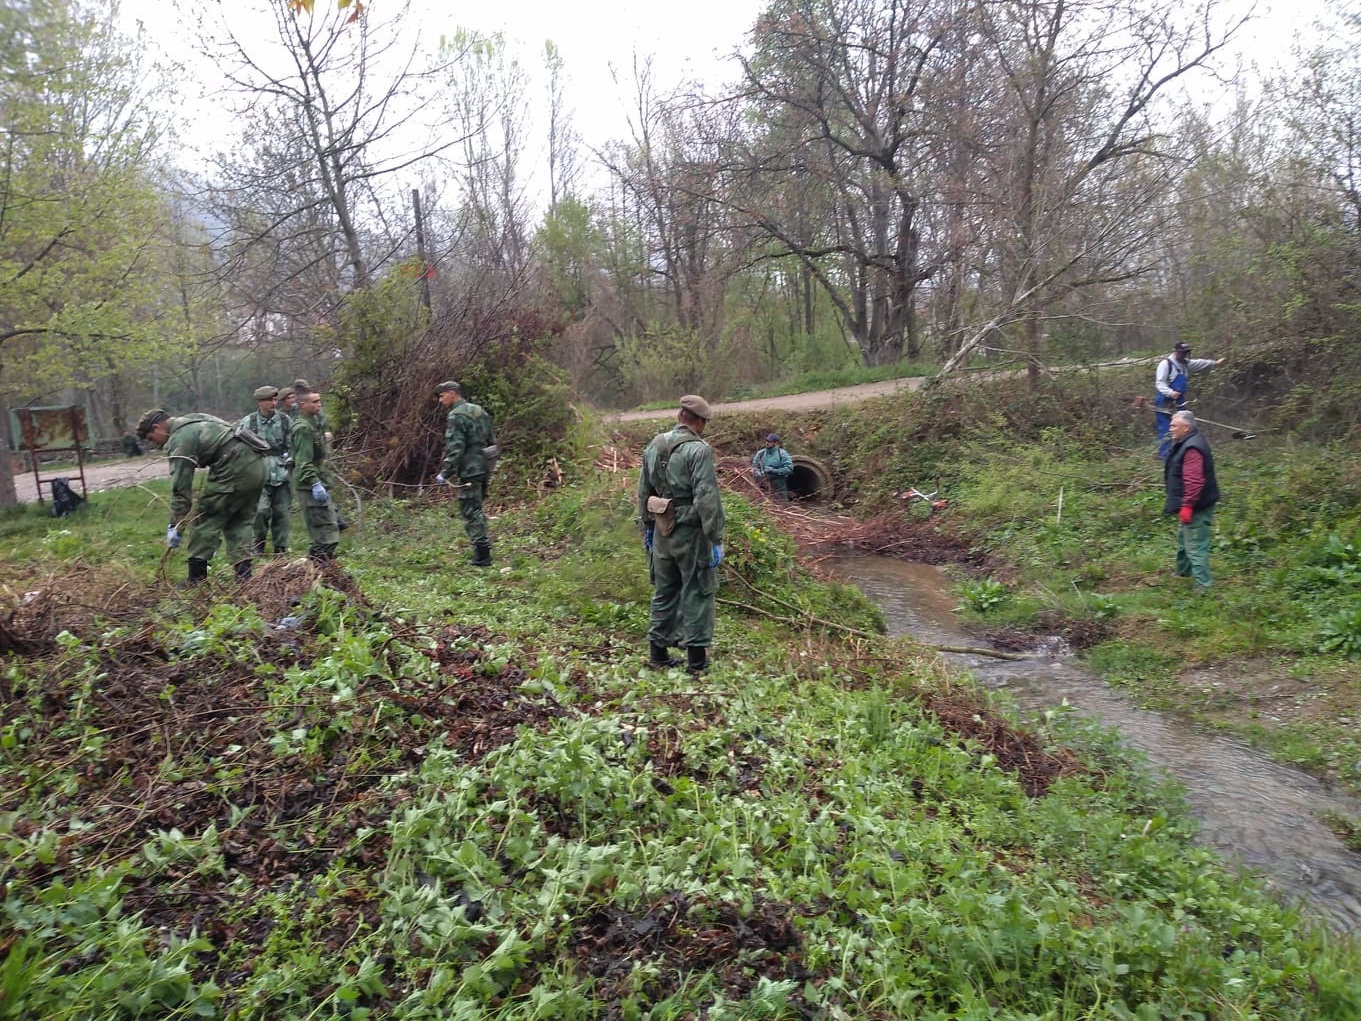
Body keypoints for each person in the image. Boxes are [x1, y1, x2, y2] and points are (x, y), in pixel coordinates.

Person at [636, 395, 726, 673]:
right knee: (698, 589)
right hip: (691, 533)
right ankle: (697, 662)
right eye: (704, 423)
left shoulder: (655, 444)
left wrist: (647, 527)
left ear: (679, 416)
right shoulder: (699, 451)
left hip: (661, 529)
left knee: (665, 590)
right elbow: (707, 498)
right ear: (698, 422)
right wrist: (715, 539)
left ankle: (658, 653)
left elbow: (643, 490)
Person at [136, 408, 268, 586]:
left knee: (204, 519)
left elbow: (181, 489)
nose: (155, 445)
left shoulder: (179, 440)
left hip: (233, 468)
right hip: (256, 465)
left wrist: (175, 524)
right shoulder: (193, 419)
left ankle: (196, 580)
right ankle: (244, 578)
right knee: (240, 520)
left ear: (157, 427)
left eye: (151, 439)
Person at [434, 380, 497, 566]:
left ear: (453, 393)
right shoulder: (478, 410)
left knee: (471, 510)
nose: (440, 400)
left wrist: (445, 473)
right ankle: (483, 551)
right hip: (485, 465)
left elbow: (456, 448)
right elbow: (490, 439)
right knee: (477, 507)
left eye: (442, 395)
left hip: (470, 470)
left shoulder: (456, 415)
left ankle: (482, 554)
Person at [1164, 410, 1220, 593]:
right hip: (1190, 502)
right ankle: (1183, 572)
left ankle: (1203, 586)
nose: (1170, 428)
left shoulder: (1192, 449)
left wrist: (1188, 505)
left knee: (1195, 545)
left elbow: (1194, 482)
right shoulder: (1186, 443)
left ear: (1186, 428)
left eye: (1174, 425)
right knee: (1183, 538)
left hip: (1197, 504)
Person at [289, 387, 340, 563]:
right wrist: (314, 483)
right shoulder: (303, 428)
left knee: (330, 528)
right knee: (324, 533)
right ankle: (315, 570)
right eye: (315, 402)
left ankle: (322, 569)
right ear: (303, 404)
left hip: (318, 480)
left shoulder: (314, 423)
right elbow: (304, 461)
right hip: (309, 484)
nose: (319, 405)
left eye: (319, 401)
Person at [240, 385, 292, 556]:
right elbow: (240, 449)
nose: (273, 403)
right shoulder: (249, 422)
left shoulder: (285, 421)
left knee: (282, 513)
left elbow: (293, 444)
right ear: (259, 402)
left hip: (282, 471)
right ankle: (259, 542)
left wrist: (291, 458)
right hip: (258, 472)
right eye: (269, 400)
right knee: (261, 511)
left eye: (275, 399)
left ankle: (280, 547)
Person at [1155, 341, 1224, 460]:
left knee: (1187, 424)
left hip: (1179, 400)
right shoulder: (1166, 364)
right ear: (1176, 352)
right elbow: (1159, 383)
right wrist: (1171, 393)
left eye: (1186, 353)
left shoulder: (1186, 364)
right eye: (1182, 353)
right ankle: (1164, 455)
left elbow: (1200, 363)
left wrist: (1215, 363)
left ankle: (1186, 449)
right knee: (1168, 427)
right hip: (1165, 400)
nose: (1184, 355)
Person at [751, 432, 794, 501]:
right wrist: (757, 472)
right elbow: (755, 466)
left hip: (779, 485)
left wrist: (774, 470)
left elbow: (789, 468)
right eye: (766, 441)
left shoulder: (782, 454)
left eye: (770, 442)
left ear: (775, 443)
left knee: (781, 504)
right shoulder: (761, 453)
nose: (767, 443)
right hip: (763, 484)